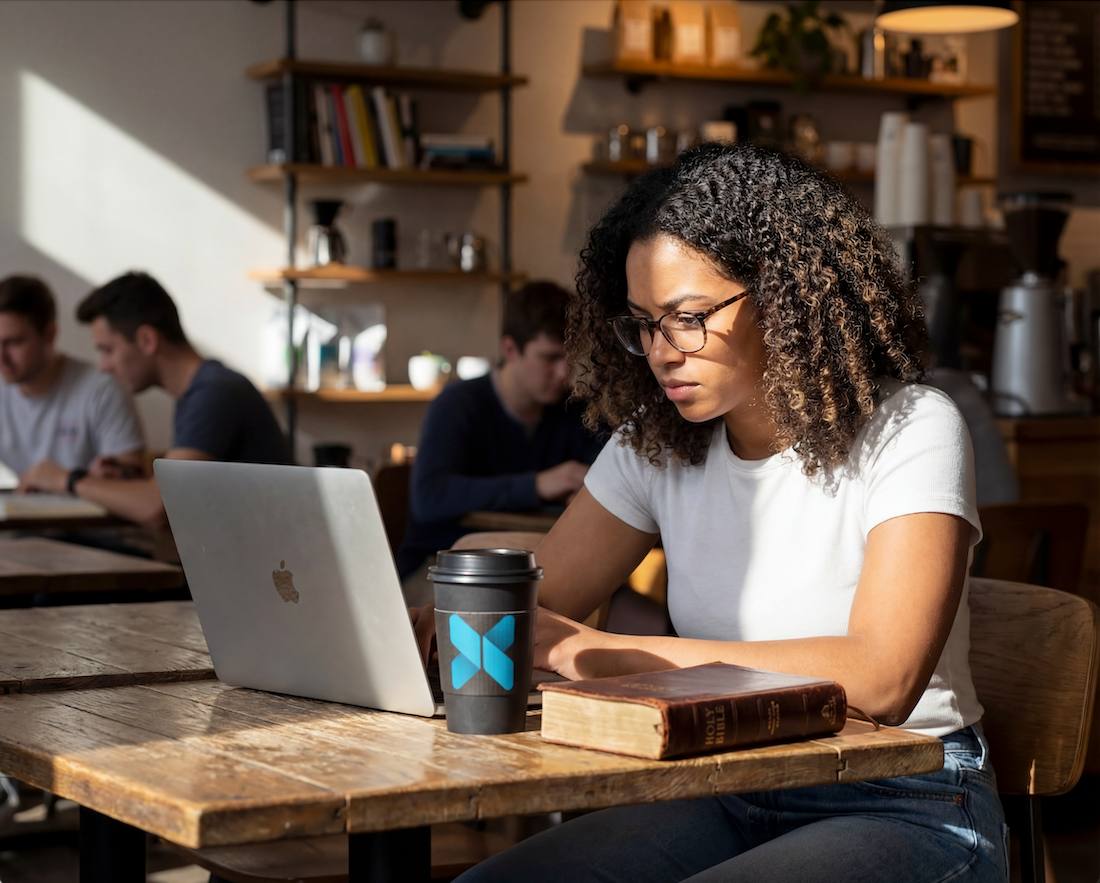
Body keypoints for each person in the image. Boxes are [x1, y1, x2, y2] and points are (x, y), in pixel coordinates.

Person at [415, 143, 1007, 882]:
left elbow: (882, 677)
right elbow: (542, 611)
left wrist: (605, 654)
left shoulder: (912, 428)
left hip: (906, 799)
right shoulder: (657, 444)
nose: (662, 351)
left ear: (785, 297)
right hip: (722, 786)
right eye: (642, 324)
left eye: (687, 317)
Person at [20, 271, 289, 524]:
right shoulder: (202, 390)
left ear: (147, 340)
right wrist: (119, 481)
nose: (103, 366)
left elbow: (158, 507)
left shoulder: (213, 394)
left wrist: (65, 479)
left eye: (108, 350)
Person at [396, 281, 605, 587]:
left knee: (644, 621)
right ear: (510, 349)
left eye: (570, 358)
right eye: (550, 358)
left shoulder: (573, 410)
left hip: (538, 568)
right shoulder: (458, 405)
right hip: (442, 570)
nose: (564, 373)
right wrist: (538, 485)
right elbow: (430, 498)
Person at [0, 275, 144, 488]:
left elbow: (133, 482)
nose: (2, 357)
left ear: (50, 334)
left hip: (89, 519)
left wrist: (69, 479)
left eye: (13, 342)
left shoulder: (101, 389)